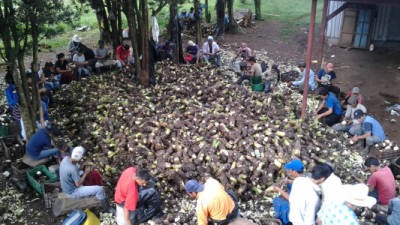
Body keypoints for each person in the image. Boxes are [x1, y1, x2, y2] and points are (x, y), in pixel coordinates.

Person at [60, 146, 113, 213]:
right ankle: (107, 209)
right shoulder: (73, 168)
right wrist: (85, 173)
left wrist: (81, 169)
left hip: (65, 186)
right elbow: (78, 184)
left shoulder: (65, 159)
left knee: (81, 172)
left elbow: (70, 172)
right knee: (100, 189)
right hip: (72, 191)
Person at [272, 160, 320, 225]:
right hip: (312, 213)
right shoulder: (308, 178)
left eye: (290, 170)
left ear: (294, 171)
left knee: (278, 202)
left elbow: (291, 199)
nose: (289, 172)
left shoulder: (297, 183)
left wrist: (279, 190)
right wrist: (289, 181)